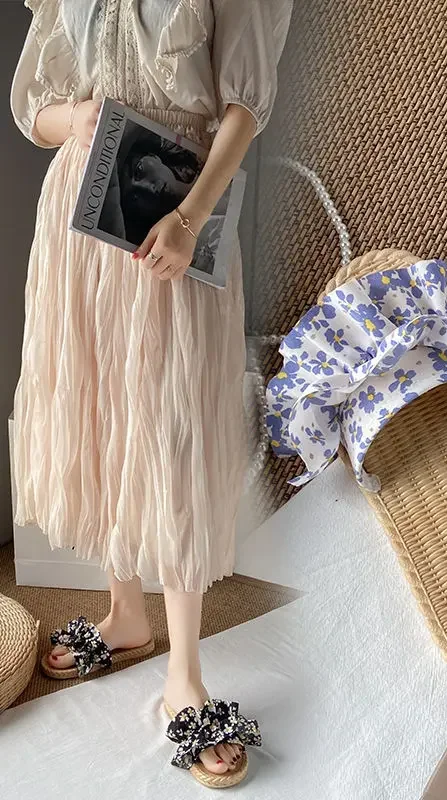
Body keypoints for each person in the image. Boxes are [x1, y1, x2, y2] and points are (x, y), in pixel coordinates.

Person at [10, 0, 291, 785]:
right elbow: (35, 107)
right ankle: (125, 614)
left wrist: (192, 217)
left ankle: (185, 676)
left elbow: (244, 106)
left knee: (173, 424)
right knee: (104, 407)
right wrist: (78, 119)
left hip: (177, 207)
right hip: (79, 209)